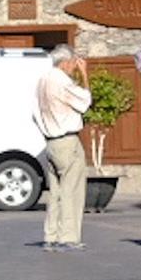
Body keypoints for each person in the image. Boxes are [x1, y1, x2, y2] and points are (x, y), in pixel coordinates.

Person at [33, 46, 92, 252]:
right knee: (72, 190)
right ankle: (68, 237)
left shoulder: (42, 80)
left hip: (50, 141)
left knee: (55, 191)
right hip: (66, 139)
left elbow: (34, 113)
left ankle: (51, 235)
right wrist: (84, 75)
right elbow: (84, 101)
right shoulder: (61, 80)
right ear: (65, 62)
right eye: (73, 62)